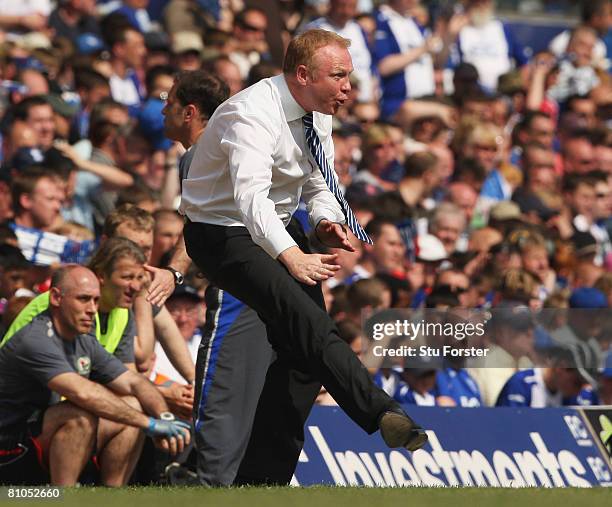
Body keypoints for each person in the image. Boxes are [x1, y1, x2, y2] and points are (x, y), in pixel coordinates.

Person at [180, 29, 427, 485]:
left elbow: (319, 181)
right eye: (338, 76)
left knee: (303, 358)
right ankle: (382, 411)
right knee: (309, 322)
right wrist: (292, 256)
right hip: (222, 232)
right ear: (302, 74)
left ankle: (261, 483)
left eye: (349, 76)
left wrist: (325, 222)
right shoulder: (250, 114)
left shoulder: (320, 110)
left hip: (279, 225)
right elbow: (250, 199)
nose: (348, 87)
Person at [0, 265, 190, 486]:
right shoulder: (36, 339)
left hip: (37, 436)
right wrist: (149, 424)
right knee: (79, 415)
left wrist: (163, 417)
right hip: (8, 448)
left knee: (133, 405)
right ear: (56, 298)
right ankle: (62, 498)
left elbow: (133, 382)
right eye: (83, 299)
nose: (92, 309)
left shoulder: (82, 339)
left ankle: (110, 497)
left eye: (95, 300)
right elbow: (84, 393)